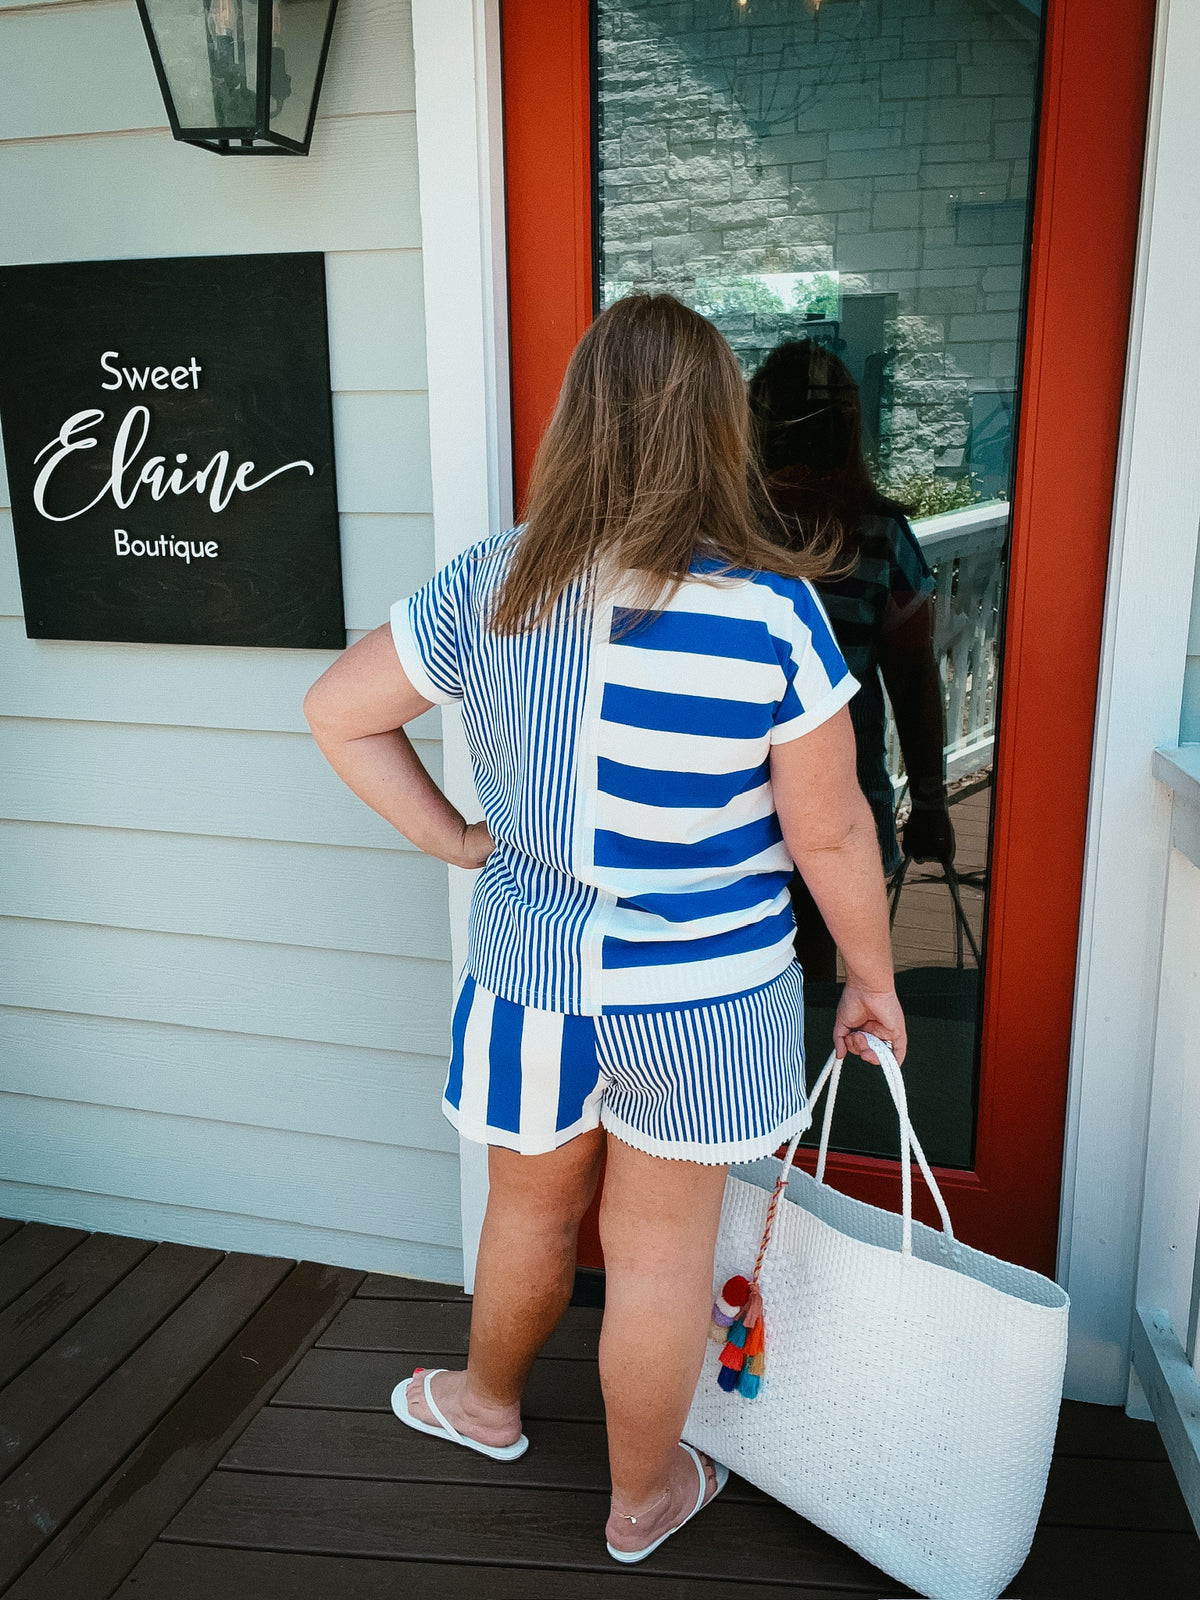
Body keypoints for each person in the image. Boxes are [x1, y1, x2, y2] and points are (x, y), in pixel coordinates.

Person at [303, 294, 906, 1563]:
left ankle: (486, 1404)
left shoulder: (498, 579)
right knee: (660, 1250)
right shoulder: (769, 615)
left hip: (532, 976)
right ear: (716, 436)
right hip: (705, 992)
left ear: (581, 421)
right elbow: (835, 833)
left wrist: (458, 839)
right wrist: (871, 977)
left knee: (525, 1209)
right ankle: (642, 1498)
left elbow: (339, 711)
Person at [749, 339, 954, 982]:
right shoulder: (881, 537)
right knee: (813, 976)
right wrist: (929, 800)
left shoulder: (728, 535)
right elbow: (914, 685)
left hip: (734, 811)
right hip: (841, 801)